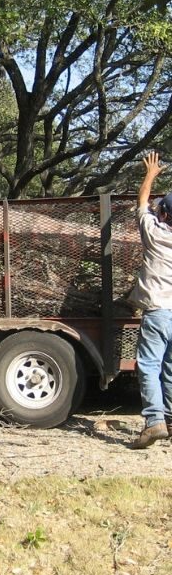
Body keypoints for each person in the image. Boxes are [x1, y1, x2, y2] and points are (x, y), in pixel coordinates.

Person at [129, 151, 172, 449]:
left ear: (165, 214)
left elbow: (141, 203)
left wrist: (150, 174)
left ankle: (155, 422)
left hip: (157, 311)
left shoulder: (155, 234)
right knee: (170, 369)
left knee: (147, 365)